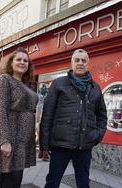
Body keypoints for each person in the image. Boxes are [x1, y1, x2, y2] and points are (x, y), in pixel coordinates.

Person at [39, 49, 107, 188]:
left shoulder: (95, 88)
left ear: (88, 63)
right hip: (60, 146)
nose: (80, 63)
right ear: (71, 63)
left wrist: (97, 135)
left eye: (83, 60)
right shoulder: (58, 84)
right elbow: (47, 115)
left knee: (83, 183)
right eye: (77, 60)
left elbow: (102, 115)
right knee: (52, 182)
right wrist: (44, 145)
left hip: (84, 146)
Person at [0, 47, 38, 188]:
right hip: (10, 136)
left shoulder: (25, 84)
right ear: (11, 63)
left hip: (22, 138)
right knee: (13, 178)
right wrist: (5, 141)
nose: (22, 62)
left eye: (25, 60)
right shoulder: (4, 80)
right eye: (19, 59)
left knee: (9, 176)